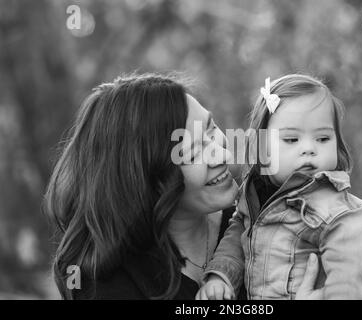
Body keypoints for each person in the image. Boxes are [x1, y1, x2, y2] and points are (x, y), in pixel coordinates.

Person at [44, 72, 324, 300]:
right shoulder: (103, 278)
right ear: (146, 177)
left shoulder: (257, 218)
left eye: (211, 128)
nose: (225, 155)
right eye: (193, 152)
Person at [198, 74, 362, 300]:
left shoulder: (338, 210)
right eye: (292, 140)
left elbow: (347, 277)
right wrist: (221, 276)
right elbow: (236, 239)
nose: (309, 149)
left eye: (323, 138)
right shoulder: (252, 196)